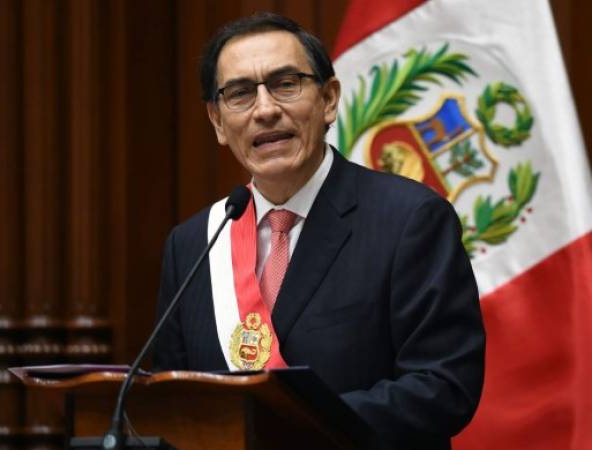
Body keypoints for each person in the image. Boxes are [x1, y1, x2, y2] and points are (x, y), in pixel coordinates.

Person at [153, 12, 485, 450]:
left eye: (286, 84)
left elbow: (443, 387)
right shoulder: (194, 244)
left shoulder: (410, 219)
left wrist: (292, 427)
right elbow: (173, 403)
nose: (265, 109)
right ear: (217, 121)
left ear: (329, 99)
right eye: (239, 94)